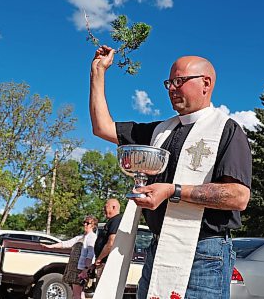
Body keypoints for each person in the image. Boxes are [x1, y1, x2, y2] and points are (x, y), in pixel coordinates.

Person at [88, 45, 251, 299]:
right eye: (169, 83)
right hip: (160, 247)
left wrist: (173, 191)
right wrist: (98, 72)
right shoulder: (159, 131)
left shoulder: (226, 130)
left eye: (179, 81)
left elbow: (238, 196)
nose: (171, 89)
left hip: (204, 252)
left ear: (205, 83)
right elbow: (102, 127)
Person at [42, 215, 98, 299]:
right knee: (79, 293)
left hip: (80, 269)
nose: (85, 224)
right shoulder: (80, 237)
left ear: (93, 225)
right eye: (84, 222)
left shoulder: (91, 237)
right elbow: (66, 243)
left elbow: (90, 255)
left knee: (76, 294)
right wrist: (51, 246)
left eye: (88, 223)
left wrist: (85, 269)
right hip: (74, 268)